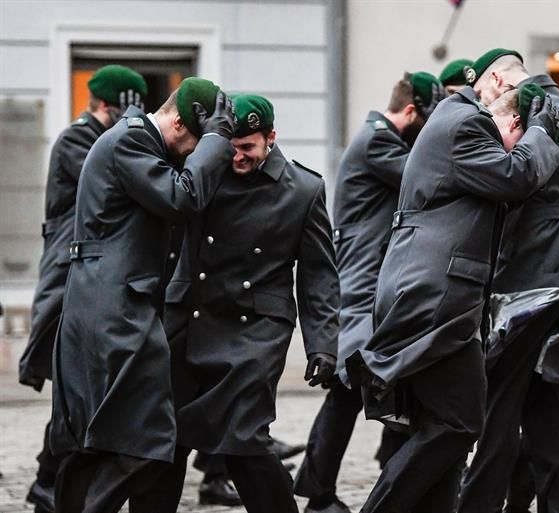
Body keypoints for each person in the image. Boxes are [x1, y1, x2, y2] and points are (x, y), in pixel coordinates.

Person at [346, 82, 559, 513]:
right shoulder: (467, 124)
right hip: (437, 297)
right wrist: (541, 136)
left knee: (439, 425)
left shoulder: (454, 119)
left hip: (436, 294)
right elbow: (516, 175)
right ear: (516, 122)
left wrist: (533, 140)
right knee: (460, 423)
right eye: (521, 137)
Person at [48, 77, 235, 513]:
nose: (191, 154)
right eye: (192, 141)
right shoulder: (130, 143)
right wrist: (215, 141)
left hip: (111, 305)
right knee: (146, 436)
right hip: (112, 310)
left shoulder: (136, 142)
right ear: (175, 120)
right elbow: (181, 197)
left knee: (103, 438)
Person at [163, 94, 339, 513]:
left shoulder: (304, 189)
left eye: (249, 148)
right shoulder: (203, 173)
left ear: (271, 138)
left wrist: (323, 343)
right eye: (231, 147)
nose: (238, 157)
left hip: (254, 332)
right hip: (190, 318)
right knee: (166, 446)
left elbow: (318, 275)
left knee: (245, 441)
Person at [294, 72, 444, 513]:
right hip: (363, 281)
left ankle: (373, 472)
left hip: (372, 279)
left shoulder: (379, 138)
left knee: (382, 380)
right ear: (412, 111)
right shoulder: (378, 141)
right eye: (427, 118)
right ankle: (318, 492)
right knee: (346, 389)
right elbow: (423, 177)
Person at [457, 48, 559, 513]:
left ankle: (479, 505)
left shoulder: (530, 107)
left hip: (532, 271)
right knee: (543, 396)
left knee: (500, 401)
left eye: (482, 93)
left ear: (498, 79)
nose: (482, 105)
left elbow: (515, 181)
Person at [16, 64, 147, 513]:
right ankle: (49, 479)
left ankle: (52, 479)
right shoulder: (78, 139)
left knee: (80, 394)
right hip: (67, 275)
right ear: (107, 106)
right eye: (127, 109)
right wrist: (136, 127)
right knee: (74, 394)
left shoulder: (105, 134)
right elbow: (123, 167)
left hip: (88, 274)